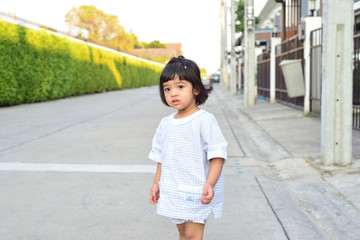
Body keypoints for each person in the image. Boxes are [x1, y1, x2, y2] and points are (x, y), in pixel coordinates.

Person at [149, 56, 228, 240]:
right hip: (172, 190)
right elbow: (162, 158)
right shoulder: (165, 124)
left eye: (180, 86)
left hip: (195, 191)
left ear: (196, 88)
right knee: (183, 233)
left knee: (193, 235)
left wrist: (210, 183)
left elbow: (217, 155)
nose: (173, 93)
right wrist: (156, 183)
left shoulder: (204, 120)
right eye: (167, 89)